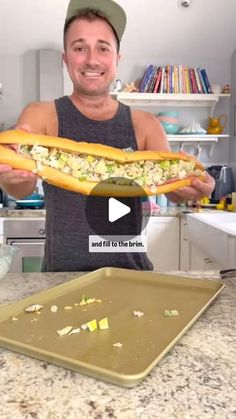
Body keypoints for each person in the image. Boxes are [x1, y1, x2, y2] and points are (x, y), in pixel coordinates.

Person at [0, 0, 215, 272]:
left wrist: (195, 187)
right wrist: (10, 177)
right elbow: (21, 188)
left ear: (116, 59)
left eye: (103, 48)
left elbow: (173, 191)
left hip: (132, 275)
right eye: (79, 48)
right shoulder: (41, 115)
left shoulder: (146, 124)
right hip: (61, 277)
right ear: (66, 58)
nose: (91, 59)